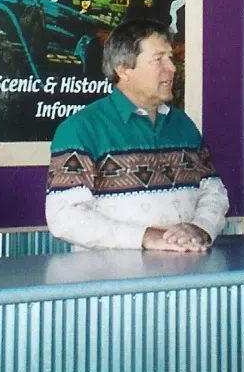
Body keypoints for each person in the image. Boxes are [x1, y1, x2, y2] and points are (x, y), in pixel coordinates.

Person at [46, 18, 229, 251]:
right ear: (123, 69)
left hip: (185, 278)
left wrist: (201, 228)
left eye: (170, 58)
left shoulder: (184, 125)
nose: (172, 68)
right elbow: (64, 217)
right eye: (158, 59)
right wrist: (145, 237)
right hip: (109, 284)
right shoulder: (81, 129)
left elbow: (214, 193)